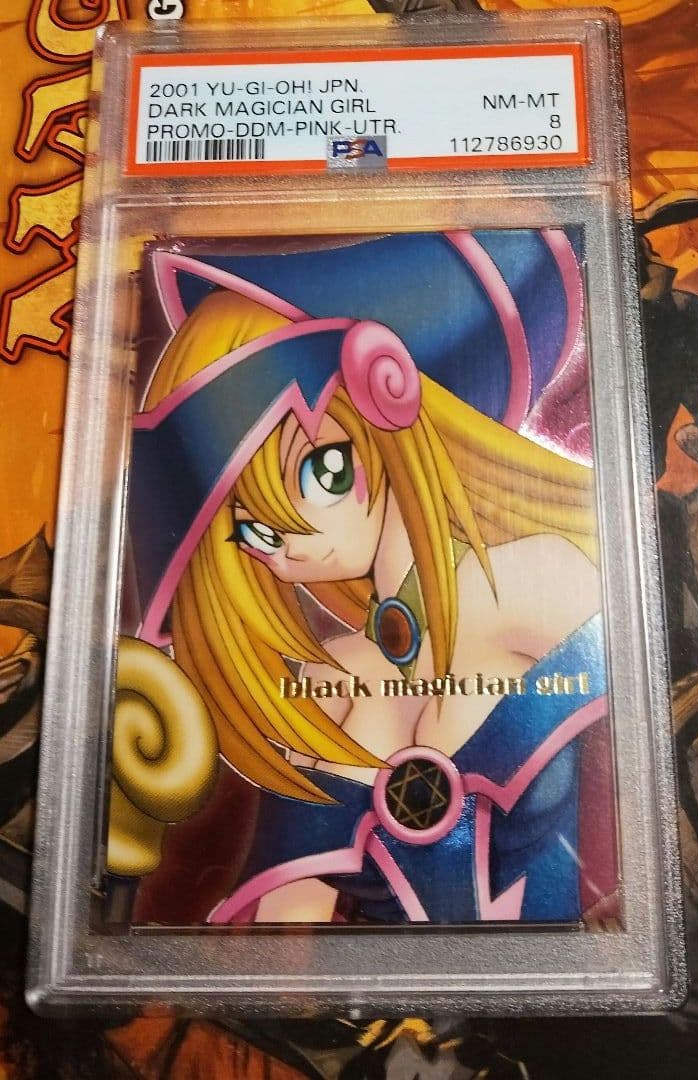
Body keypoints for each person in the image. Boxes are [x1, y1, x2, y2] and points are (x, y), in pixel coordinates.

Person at [121, 232, 617, 925]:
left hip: (578, 974)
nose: (288, 546)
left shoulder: (529, 579)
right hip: (385, 993)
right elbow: (284, 924)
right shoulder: (329, 682)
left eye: (318, 472)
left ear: (389, 409)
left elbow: (660, 757)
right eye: (255, 531)